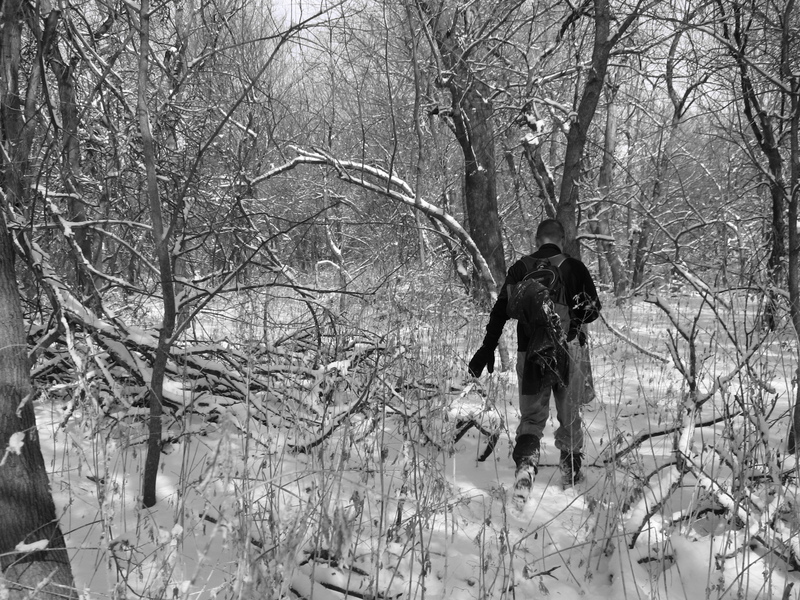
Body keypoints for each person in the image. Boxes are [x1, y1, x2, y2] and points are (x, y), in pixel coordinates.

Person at [468, 219, 601, 487]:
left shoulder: (521, 268)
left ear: (536, 239)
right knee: (570, 413)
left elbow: (500, 311)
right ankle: (570, 474)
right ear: (562, 239)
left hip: (529, 352)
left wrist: (487, 347)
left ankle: (526, 467)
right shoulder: (574, 267)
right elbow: (593, 310)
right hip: (570, 350)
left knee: (531, 417)